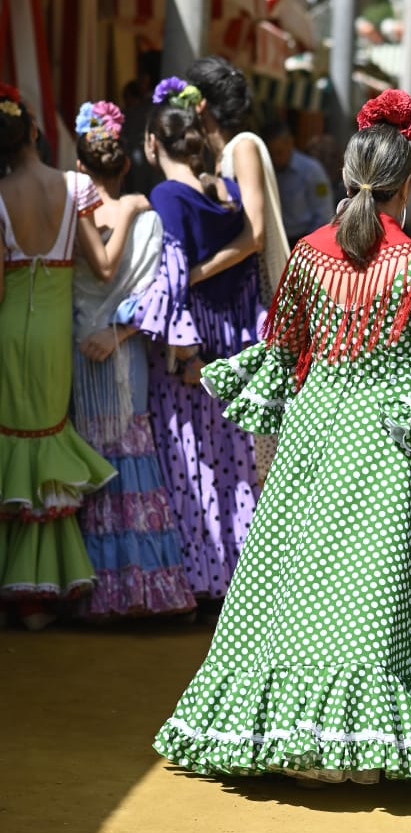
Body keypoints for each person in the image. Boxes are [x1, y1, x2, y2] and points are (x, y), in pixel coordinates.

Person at [152, 90, 411, 783]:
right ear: (405, 186)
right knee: (380, 592)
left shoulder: (307, 254)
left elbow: (281, 354)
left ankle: (292, 731)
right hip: (393, 446)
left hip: (316, 436)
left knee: (300, 583)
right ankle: (373, 741)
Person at [0, 84, 132, 627]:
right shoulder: (76, 186)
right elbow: (104, 266)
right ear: (34, 131)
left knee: (9, 442)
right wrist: (131, 210)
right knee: (45, 443)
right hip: (55, 333)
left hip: (10, 327)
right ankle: (38, 595)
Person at [131, 77, 262, 603]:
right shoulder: (227, 195)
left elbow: (172, 277)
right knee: (232, 467)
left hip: (188, 353)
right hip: (230, 346)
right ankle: (238, 581)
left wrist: (182, 349)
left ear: (151, 143)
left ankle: (197, 579)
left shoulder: (166, 197)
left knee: (188, 464)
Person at [71, 99, 195, 620]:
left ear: (80, 167)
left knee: (85, 456)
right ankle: (144, 589)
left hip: (78, 351)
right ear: (125, 166)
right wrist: (120, 333)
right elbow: (159, 295)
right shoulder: (147, 221)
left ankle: (90, 591)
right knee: (131, 458)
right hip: (127, 354)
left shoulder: (71, 218)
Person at [188, 57, 289, 485]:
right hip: (247, 301)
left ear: (201, 105)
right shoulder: (222, 154)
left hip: (264, 298)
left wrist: (195, 273)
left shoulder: (243, 146)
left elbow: (256, 234)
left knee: (264, 445)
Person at [263, 118, 335, 247]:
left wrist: (310, 244)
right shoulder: (268, 170)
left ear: (289, 143)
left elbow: (324, 212)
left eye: (279, 153)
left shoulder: (311, 171)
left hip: (305, 239)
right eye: (271, 155)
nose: (275, 159)